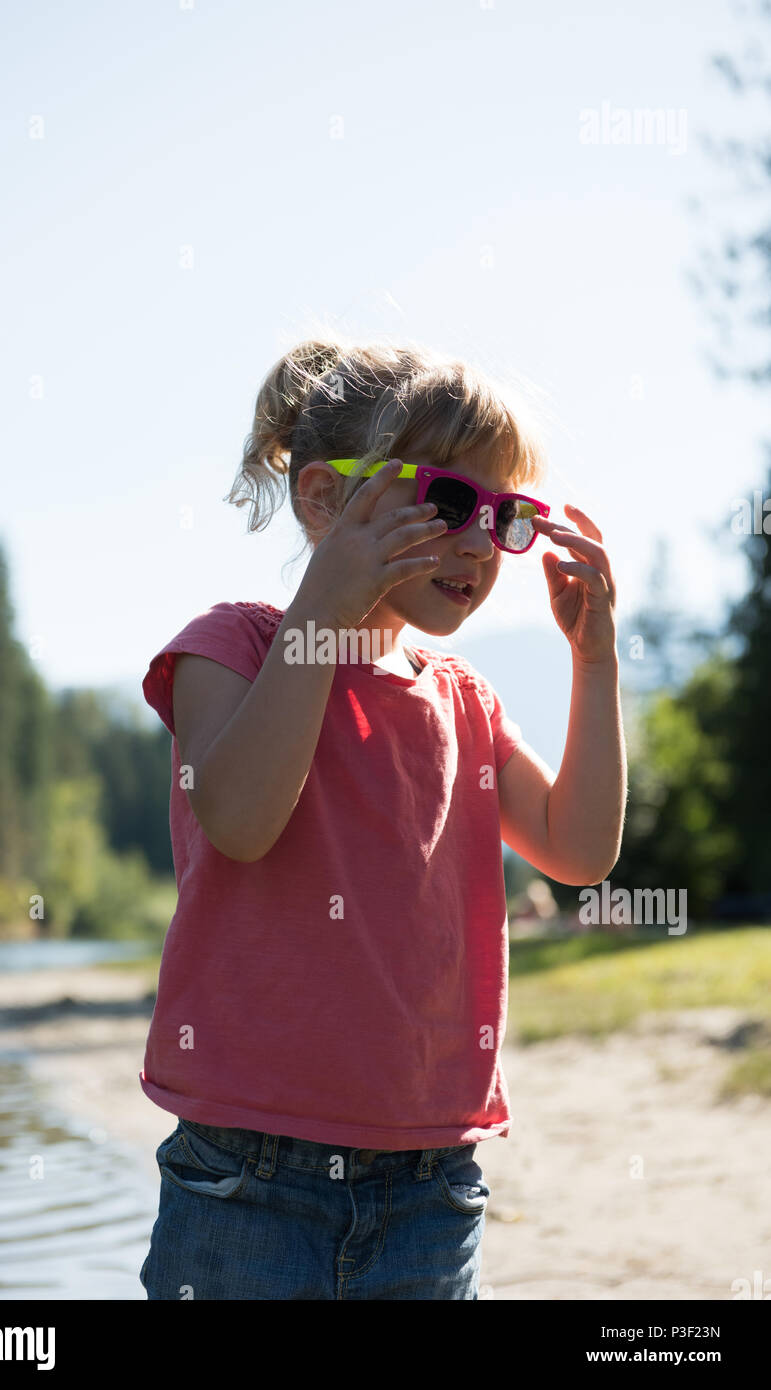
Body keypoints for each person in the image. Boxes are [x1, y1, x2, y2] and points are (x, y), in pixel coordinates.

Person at [137, 336, 625, 1300]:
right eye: (449, 500)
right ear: (323, 500)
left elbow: (577, 851)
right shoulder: (229, 650)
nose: (481, 541)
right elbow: (238, 819)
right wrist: (327, 600)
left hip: (429, 1188)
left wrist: (595, 662)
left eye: (505, 515)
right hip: (248, 1182)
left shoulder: (465, 701)